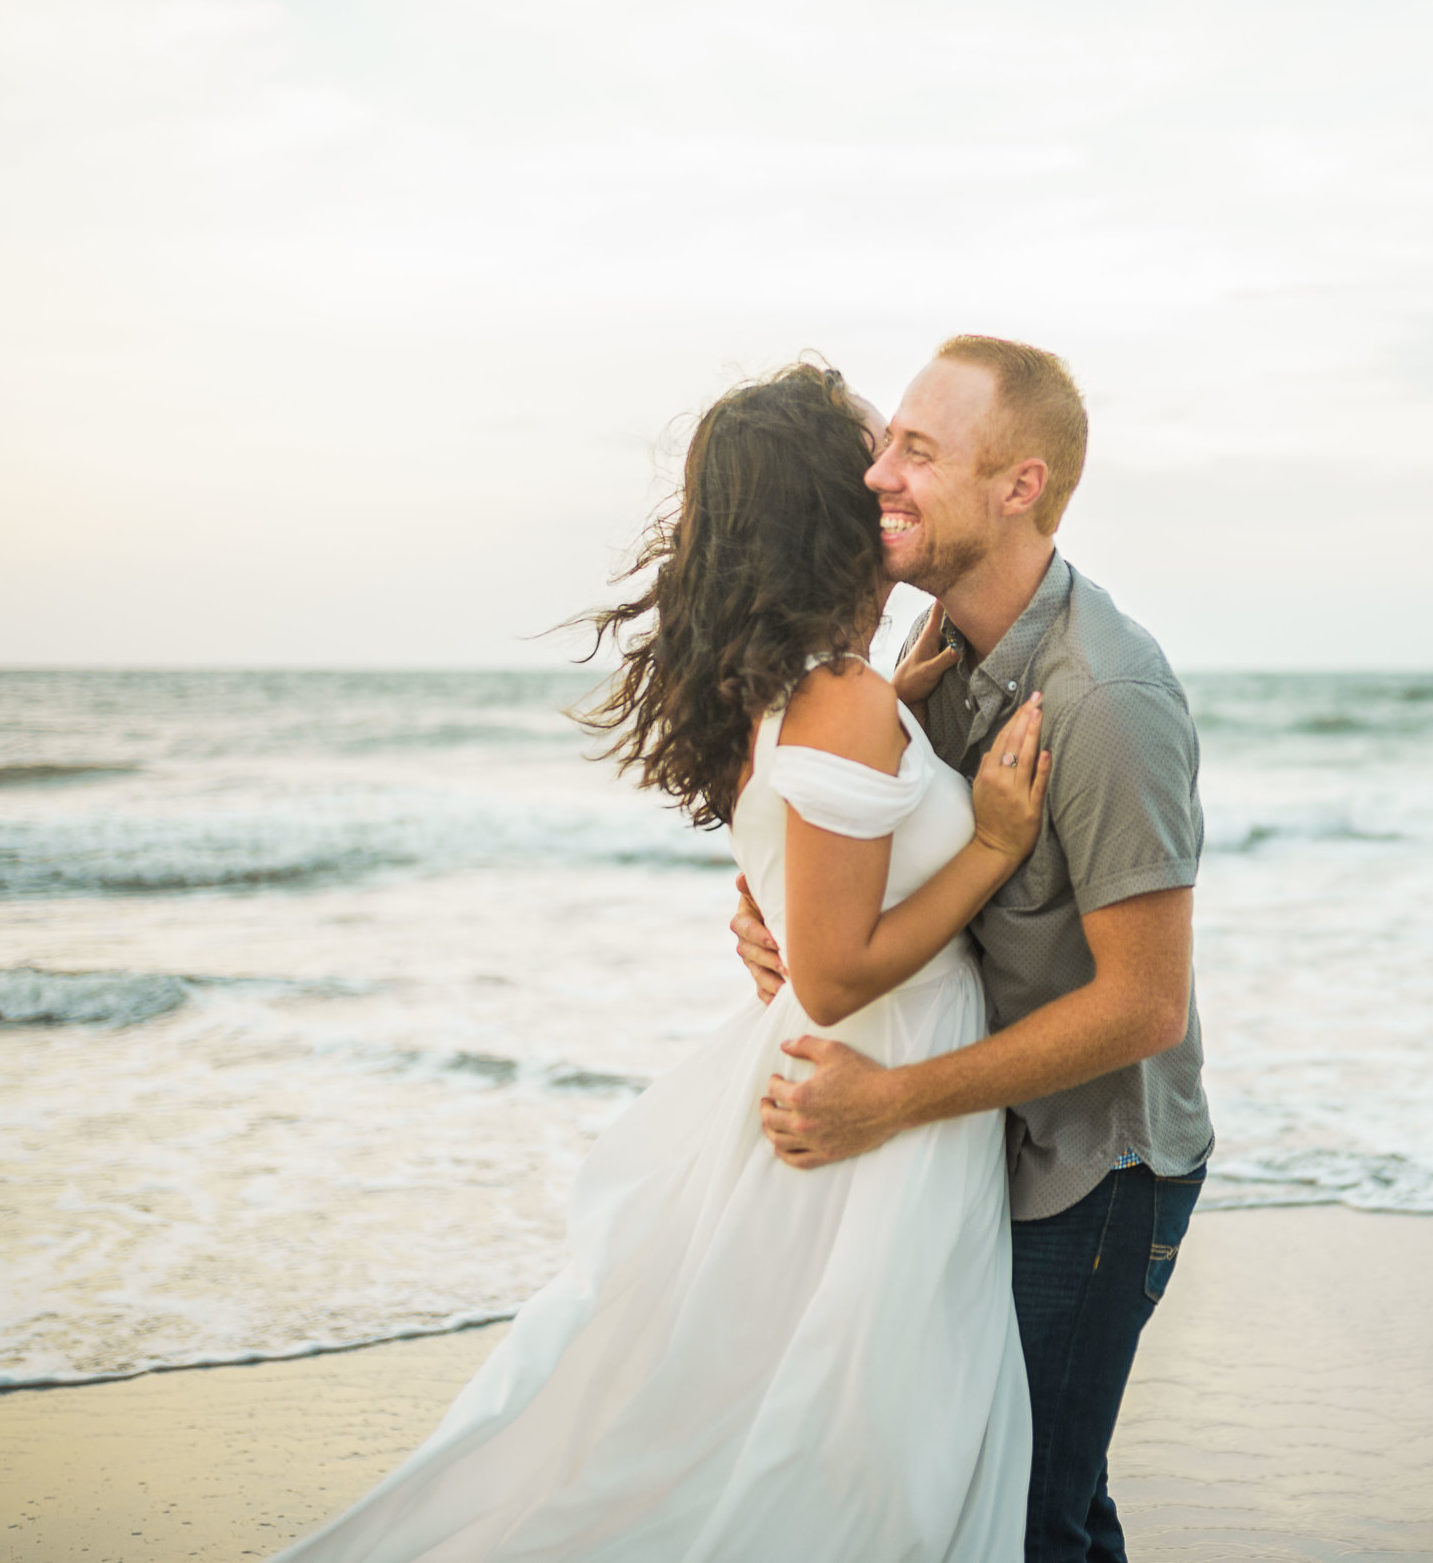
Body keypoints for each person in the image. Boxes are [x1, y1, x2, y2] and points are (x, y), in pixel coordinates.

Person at [268, 362, 1051, 1563]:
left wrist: (897, 714)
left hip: (858, 1079)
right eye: (869, 463)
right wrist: (992, 841)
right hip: (873, 1087)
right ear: (821, 511)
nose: (887, 480)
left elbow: (812, 904)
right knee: (863, 1458)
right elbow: (837, 973)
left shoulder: (814, 692)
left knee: (806, 1437)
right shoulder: (835, 700)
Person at [734, 335, 1213, 1563]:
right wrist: (786, 925)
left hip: (1093, 1170)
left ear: (1021, 486)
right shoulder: (933, 651)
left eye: (917, 452)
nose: (876, 474)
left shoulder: (1108, 699)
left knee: (1034, 1515)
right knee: (977, 1489)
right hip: (979, 1144)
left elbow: (1145, 1008)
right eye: (886, 439)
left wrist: (890, 1099)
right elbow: (900, 873)